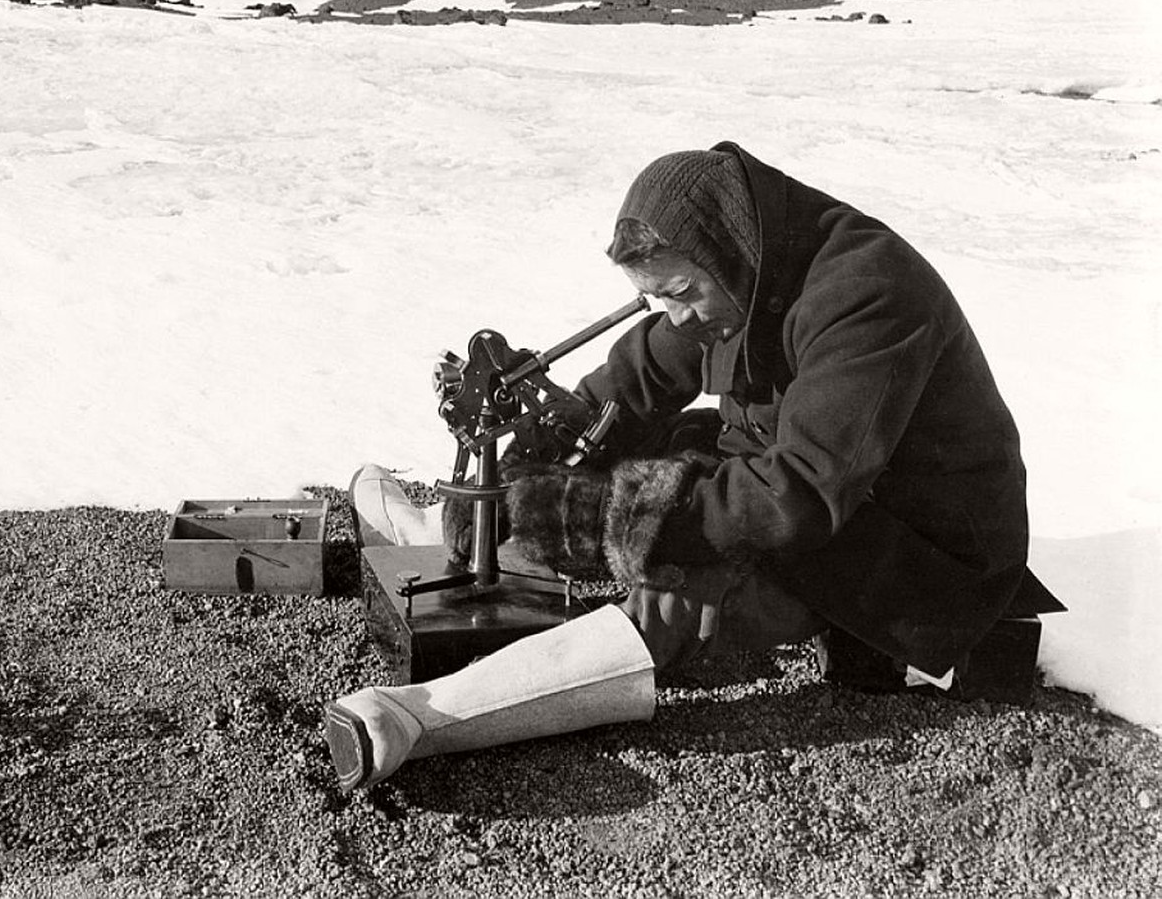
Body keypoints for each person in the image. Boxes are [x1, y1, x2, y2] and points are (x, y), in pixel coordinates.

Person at [324, 141, 1061, 794]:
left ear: (725, 253)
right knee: (663, 444)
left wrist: (605, 516)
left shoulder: (867, 294)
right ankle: (445, 533)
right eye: (653, 298)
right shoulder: (754, 261)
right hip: (829, 488)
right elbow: (644, 373)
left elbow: (792, 499)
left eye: (679, 293)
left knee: (690, 578)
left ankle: (421, 719)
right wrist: (543, 453)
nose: (670, 314)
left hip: (920, 552)